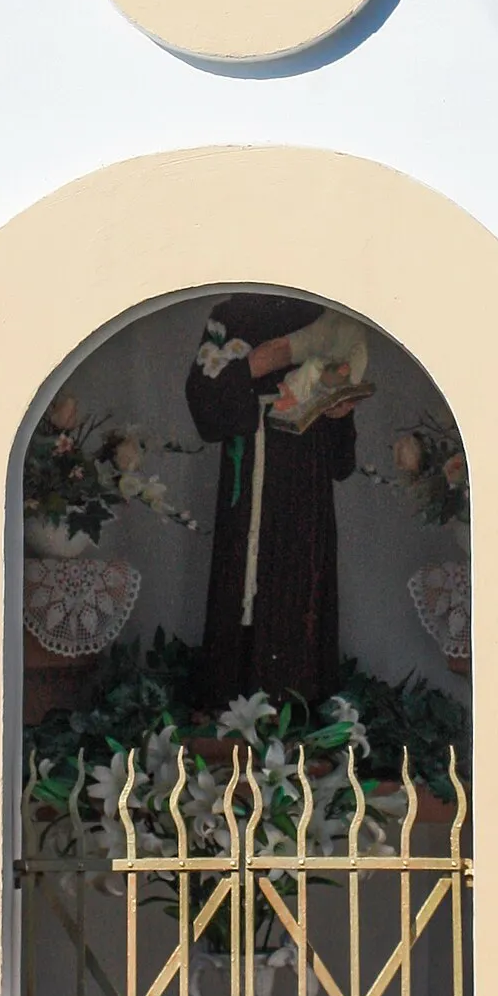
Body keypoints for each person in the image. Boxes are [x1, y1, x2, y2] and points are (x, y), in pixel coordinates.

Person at [184, 296, 367, 714]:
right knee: (242, 576)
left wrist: (340, 409)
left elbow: (340, 430)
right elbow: (204, 402)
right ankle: (230, 704)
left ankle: (298, 704)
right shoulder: (232, 314)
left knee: (301, 575)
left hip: (305, 473)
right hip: (250, 466)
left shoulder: (324, 308)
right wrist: (261, 362)